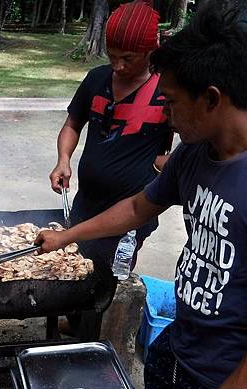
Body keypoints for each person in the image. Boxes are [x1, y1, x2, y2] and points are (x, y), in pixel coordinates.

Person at [36, 5, 247, 389]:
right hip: (176, 350)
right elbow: (140, 207)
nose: (167, 112)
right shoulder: (193, 154)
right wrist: (66, 237)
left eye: (173, 102)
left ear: (212, 98)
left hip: (231, 383)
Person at [50, 0, 173, 334]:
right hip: (87, 203)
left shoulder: (167, 92)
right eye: (112, 55)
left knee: (111, 277)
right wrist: (64, 159)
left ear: (152, 48)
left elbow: (188, 143)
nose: (118, 66)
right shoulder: (96, 79)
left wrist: (166, 164)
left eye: (128, 59)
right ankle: (76, 322)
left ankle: (97, 334)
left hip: (132, 211)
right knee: (75, 264)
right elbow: (72, 124)